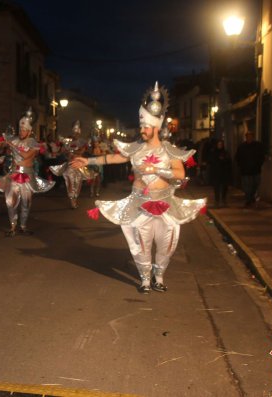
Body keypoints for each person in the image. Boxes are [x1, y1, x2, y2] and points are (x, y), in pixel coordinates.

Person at [71, 82, 206, 294]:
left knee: (166, 243)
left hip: (165, 204)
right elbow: (115, 157)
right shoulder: (135, 148)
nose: (142, 129)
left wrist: (157, 169)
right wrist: (89, 162)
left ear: (157, 127)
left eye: (146, 126)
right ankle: (145, 278)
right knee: (140, 242)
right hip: (140, 202)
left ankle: (159, 275)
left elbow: (180, 174)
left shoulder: (169, 150)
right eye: (141, 126)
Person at [0, 107, 54, 236]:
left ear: (29, 130)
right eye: (20, 129)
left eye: (24, 130)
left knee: (26, 203)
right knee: (11, 202)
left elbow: (27, 156)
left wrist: (12, 146)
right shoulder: (13, 139)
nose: (21, 132)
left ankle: (23, 226)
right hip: (14, 174)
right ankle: (13, 227)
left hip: (27, 175)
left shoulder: (34, 143)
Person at [49, 120, 93, 208]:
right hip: (70, 165)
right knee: (70, 182)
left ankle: (75, 198)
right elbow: (62, 151)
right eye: (74, 132)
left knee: (78, 183)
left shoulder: (82, 142)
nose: (75, 134)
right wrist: (56, 153)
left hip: (79, 166)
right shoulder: (67, 142)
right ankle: (72, 200)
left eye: (77, 133)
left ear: (79, 133)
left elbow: (82, 151)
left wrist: (73, 151)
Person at [235, 131, 265, 208]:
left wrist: (259, 164)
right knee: (247, 186)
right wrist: (241, 165)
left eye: (251, 136)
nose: (249, 138)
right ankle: (248, 199)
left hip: (255, 169)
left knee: (255, 184)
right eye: (248, 137)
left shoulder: (258, 146)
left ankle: (251, 197)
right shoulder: (242, 147)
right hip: (245, 170)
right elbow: (237, 157)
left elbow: (262, 156)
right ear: (246, 137)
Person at [208, 139, 232, 208]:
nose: (220, 146)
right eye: (219, 144)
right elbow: (210, 161)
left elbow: (228, 161)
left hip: (224, 172)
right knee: (216, 187)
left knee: (224, 186)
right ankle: (217, 200)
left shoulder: (225, 152)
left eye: (221, 144)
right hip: (216, 172)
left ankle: (223, 199)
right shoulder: (213, 152)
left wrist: (224, 160)